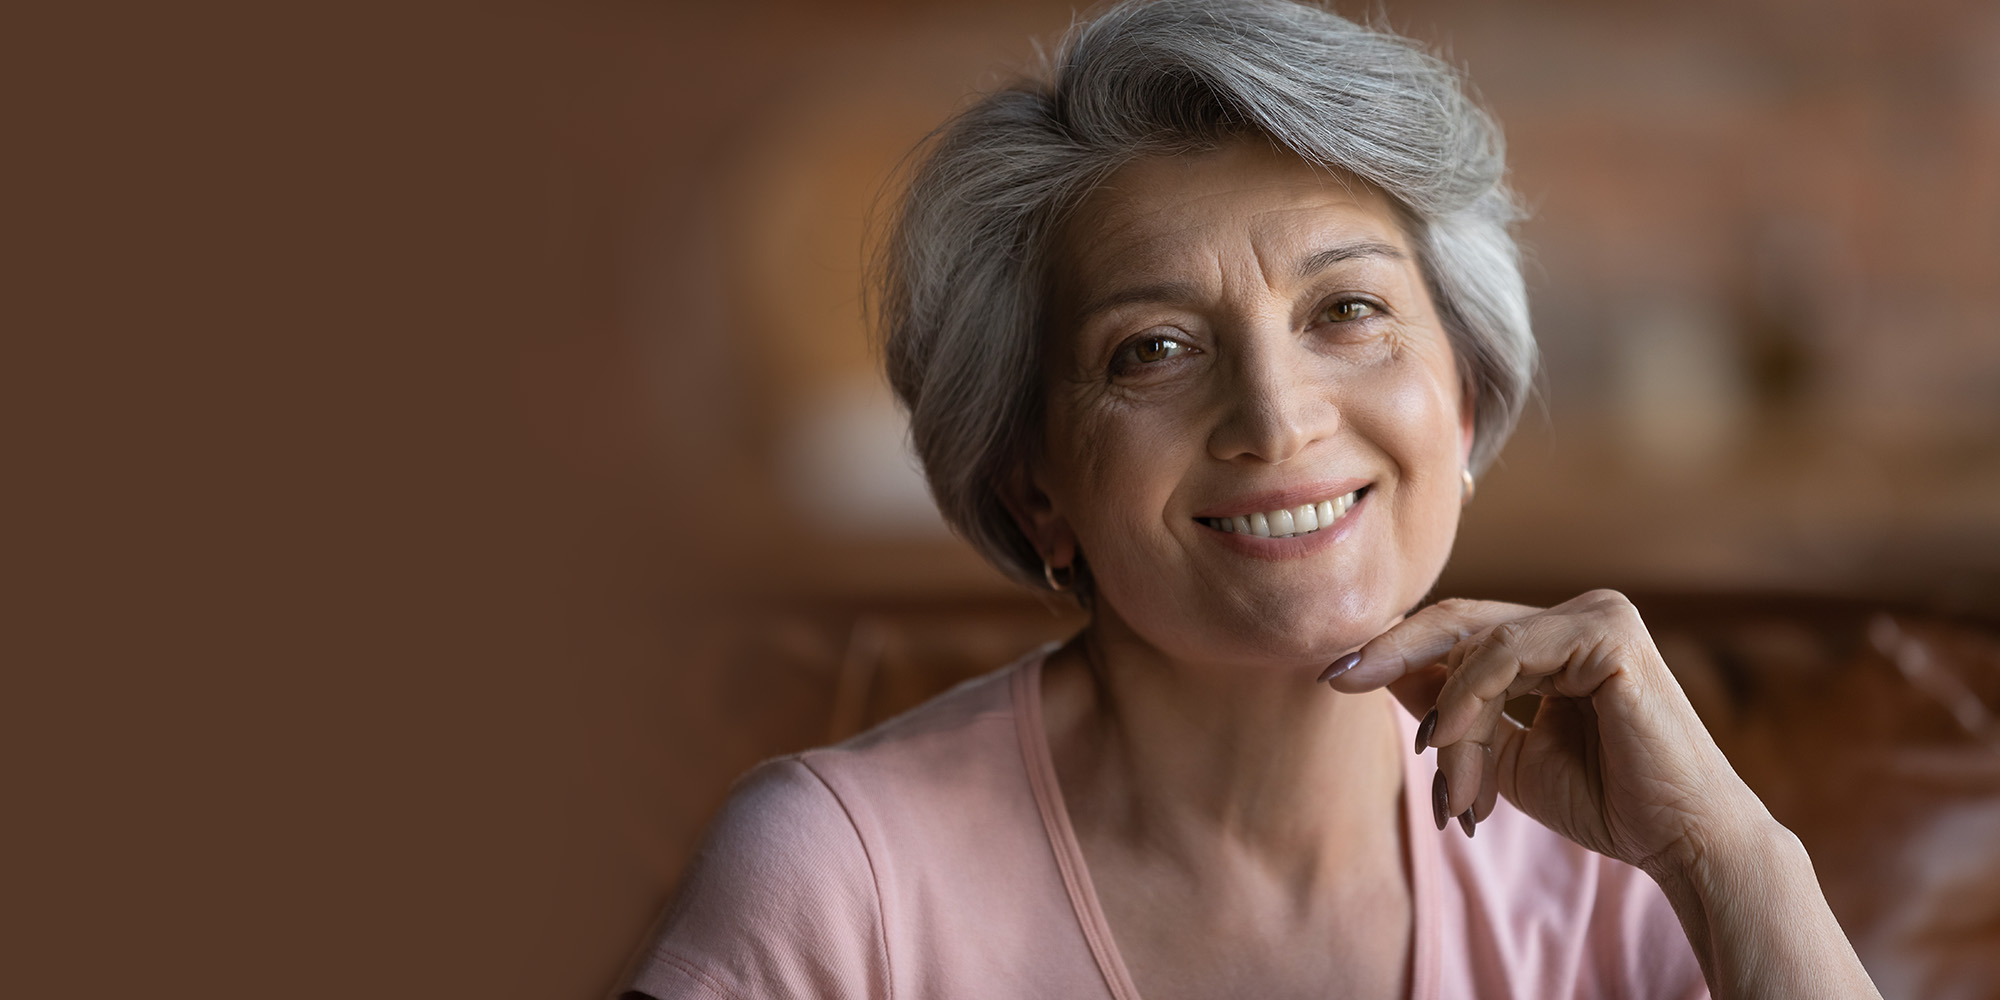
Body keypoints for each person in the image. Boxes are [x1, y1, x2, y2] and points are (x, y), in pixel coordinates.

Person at [624, 1, 1882, 997]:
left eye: (1348, 311)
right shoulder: (841, 882)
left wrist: (1735, 862)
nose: (1277, 418)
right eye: (1152, 349)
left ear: (1459, 403)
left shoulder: (1617, 866)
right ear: (1037, 488)